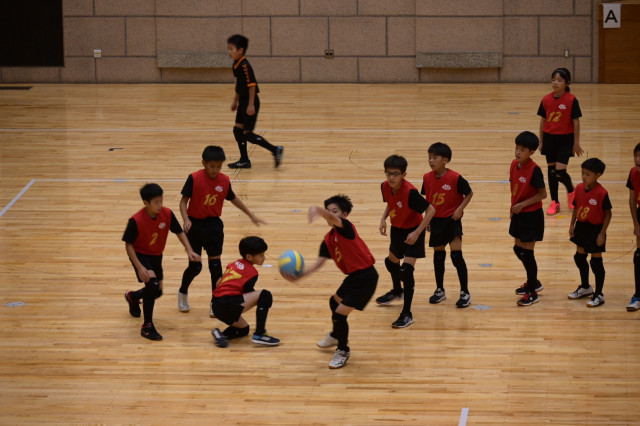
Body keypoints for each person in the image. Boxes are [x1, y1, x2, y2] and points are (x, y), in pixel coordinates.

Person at [281, 194, 378, 369]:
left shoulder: (346, 228)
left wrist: (317, 209)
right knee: (334, 302)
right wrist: (298, 276)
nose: (330, 215)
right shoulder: (328, 239)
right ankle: (335, 335)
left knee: (340, 314)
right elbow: (318, 264)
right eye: (328, 211)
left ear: (344, 215)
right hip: (353, 277)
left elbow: (332, 219)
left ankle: (343, 350)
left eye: (335, 211)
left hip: (366, 277)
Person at [178, 145, 266, 315]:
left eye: (219, 166)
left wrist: (251, 215)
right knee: (195, 267)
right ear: (204, 163)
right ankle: (182, 292)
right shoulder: (194, 178)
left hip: (214, 226)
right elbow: (183, 202)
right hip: (194, 226)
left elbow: (234, 199)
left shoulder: (224, 180)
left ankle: (215, 300)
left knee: (215, 266)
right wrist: (186, 219)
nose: (215, 170)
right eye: (212, 166)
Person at [123, 183, 201, 341]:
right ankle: (147, 326)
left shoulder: (167, 214)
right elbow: (129, 245)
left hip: (156, 255)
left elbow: (179, 232)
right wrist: (139, 267)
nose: (160, 205)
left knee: (157, 291)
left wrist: (190, 250)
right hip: (140, 255)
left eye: (161, 201)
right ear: (146, 203)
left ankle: (133, 296)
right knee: (152, 285)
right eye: (156, 202)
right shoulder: (136, 220)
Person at [376, 155, 436, 328]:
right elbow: (391, 203)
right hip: (397, 229)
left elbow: (431, 210)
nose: (391, 177)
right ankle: (397, 291)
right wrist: (383, 218)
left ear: (404, 175)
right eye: (388, 173)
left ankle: (407, 314)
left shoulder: (410, 192)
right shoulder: (385, 186)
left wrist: (417, 232)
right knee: (391, 262)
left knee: (406, 271)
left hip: (413, 230)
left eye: (395, 174)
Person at [421, 142, 473, 308]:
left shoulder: (455, 177)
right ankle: (440, 290)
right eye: (429, 157)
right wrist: (427, 219)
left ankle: (465, 292)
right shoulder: (426, 178)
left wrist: (460, 209)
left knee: (456, 255)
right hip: (436, 221)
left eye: (434, 157)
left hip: (452, 220)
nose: (431, 160)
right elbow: (428, 200)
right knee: (438, 256)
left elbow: (469, 193)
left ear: (445, 160)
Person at [210, 236, 280, 347]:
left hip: (216, 306)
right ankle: (259, 334)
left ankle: (220, 335)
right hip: (227, 304)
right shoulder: (252, 272)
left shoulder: (233, 265)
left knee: (244, 329)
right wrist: (265, 302)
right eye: (261, 255)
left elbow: (218, 283)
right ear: (249, 256)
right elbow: (250, 294)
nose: (264, 258)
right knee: (265, 295)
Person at [226, 34, 283, 169]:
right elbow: (239, 85)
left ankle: (275, 150)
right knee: (237, 130)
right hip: (243, 101)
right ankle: (244, 160)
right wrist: (235, 101)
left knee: (248, 134)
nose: (229, 52)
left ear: (240, 50)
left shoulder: (244, 65)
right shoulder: (235, 64)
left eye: (231, 49)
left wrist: (251, 104)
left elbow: (252, 85)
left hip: (250, 102)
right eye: (228, 49)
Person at [537, 67, 584, 216]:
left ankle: (571, 191)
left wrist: (576, 143)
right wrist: (541, 141)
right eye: (553, 80)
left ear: (567, 82)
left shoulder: (571, 100)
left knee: (560, 172)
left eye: (559, 80)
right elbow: (543, 120)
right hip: (549, 138)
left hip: (565, 139)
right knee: (551, 172)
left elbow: (576, 121)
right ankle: (554, 202)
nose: (555, 83)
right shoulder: (546, 99)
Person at [509, 131, 548, 306]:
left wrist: (523, 204)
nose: (518, 152)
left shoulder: (534, 170)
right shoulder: (513, 164)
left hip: (532, 215)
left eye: (522, 150)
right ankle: (534, 282)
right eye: (517, 148)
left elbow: (542, 194)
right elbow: (515, 188)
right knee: (518, 249)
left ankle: (532, 292)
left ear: (532, 152)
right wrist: (513, 207)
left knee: (527, 253)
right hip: (518, 213)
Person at [568, 158, 611, 307]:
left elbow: (608, 214)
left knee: (596, 262)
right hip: (581, 226)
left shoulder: (602, 192)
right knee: (579, 258)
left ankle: (599, 294)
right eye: (583, 173)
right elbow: (576, 207)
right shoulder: (579, 188)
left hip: (596, 229)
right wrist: (572, 224)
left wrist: (602, 233)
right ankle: (585, 287)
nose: (584, 177)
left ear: (598, 175)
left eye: (588, 174)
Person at [626, 143, 640, 311]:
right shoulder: (633, 172)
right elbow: (631, 200)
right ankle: (638, 295)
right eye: (636, 156)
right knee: (638, 256)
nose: (637, 159)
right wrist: (636, 224)